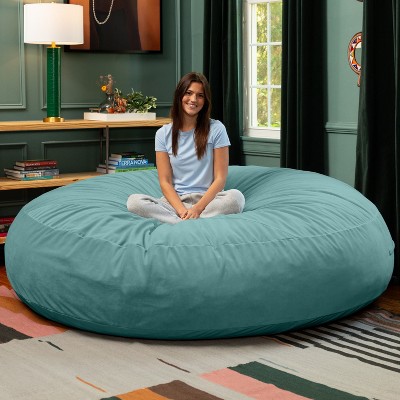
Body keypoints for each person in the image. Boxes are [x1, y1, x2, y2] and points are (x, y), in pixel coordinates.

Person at [127, 72, 245, 224]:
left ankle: (180, 222)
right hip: (175, 203)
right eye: (188, 93)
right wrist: (182, 211)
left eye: (200, 95)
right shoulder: (163, 134)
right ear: (179, 95)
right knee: (134, 202)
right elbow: (165, 182)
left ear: (205, 101)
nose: (193, 100)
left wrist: (197, 209)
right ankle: (188, 221)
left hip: (208, 202)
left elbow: (220, 179)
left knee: (235, 198)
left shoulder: (217, 129)